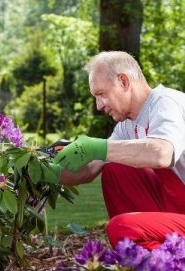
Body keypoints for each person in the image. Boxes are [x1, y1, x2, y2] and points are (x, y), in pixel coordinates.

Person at [43, 50, 185, 251]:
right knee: (115, 170)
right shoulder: (127, 125)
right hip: (177, 208)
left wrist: (96, 147)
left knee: (122, 228)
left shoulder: (166, 103)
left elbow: (162, 153)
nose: (99, 106)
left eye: (101, 94)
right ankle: (150, 255)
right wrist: (43, 168)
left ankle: (168, 269)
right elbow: (90, 169)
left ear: (124, 82)